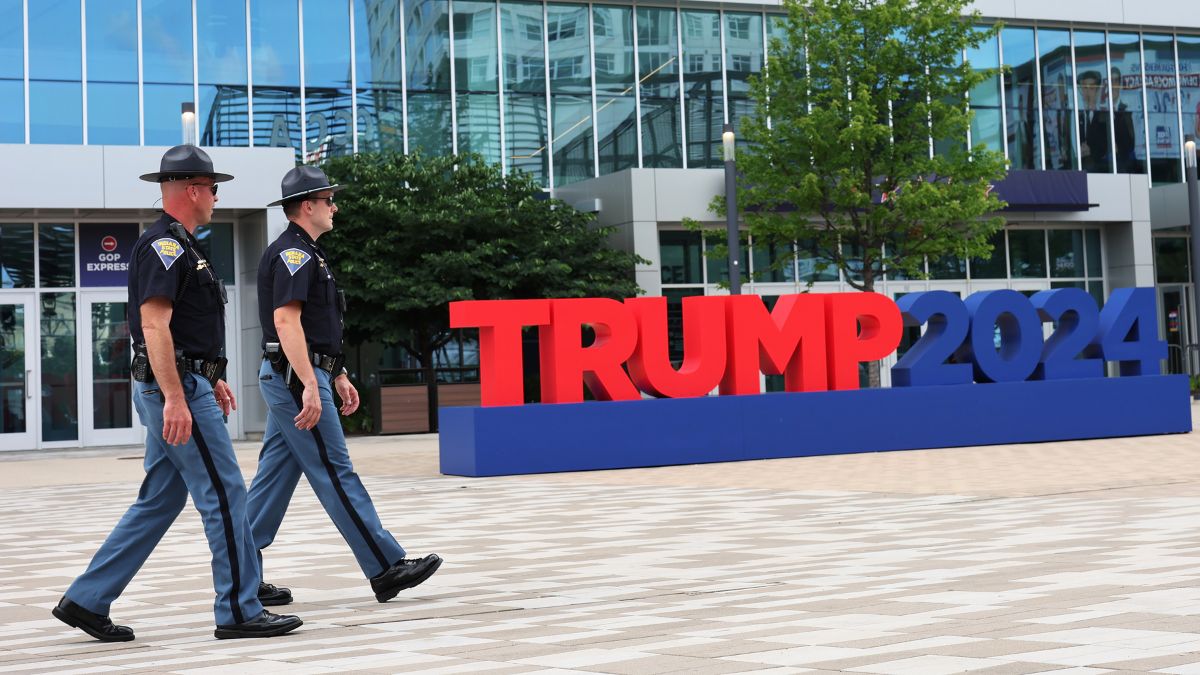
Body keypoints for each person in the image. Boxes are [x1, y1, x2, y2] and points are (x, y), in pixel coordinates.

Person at [52, 145, 303, 641]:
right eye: (213, 188)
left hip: (187, 383)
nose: (215, 196)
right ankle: (238, 609)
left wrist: (211, 375)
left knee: (159, 500)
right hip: (178, 391)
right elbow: (154, 323)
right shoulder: (164, 246)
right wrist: (177, 396)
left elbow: (185, 330)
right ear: (192, 190)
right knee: (227, 493)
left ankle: (86, 599)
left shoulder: (183, 246)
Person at [246, 166, 441, 606]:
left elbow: (316, 327)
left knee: (273, 480)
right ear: (307, 206)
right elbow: (286, 321)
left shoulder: (308, 253)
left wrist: (336, 373)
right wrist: (309, 384)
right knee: (335, 470)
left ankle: (241, 575)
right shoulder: (293, 254)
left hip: (300, 374)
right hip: (294, 377)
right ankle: (385, 566)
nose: (335, 207)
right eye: (329, 199)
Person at [1078, 70, 1111, 172]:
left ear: (1097, 91)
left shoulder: (1104, 116)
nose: (1087, 92)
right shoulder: (1077, 116)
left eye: (1091, 88)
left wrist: (1090, 152)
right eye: (1084, 88)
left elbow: (1107, 144)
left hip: (1099, 169)